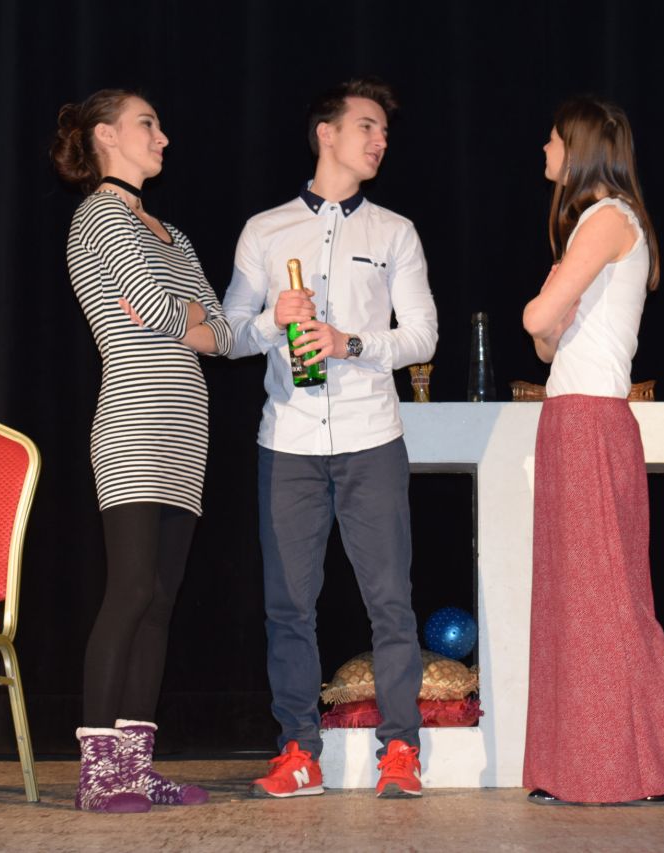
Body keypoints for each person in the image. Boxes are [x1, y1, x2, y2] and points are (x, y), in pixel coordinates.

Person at [223, 77, 438, 799]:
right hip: (287, 440)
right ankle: (298, 751)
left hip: (371, 435)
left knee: (390, 601)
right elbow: (230, 332)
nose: (380, 141)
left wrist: (350, 342)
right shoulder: (265, 229)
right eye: (367, 126)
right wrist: (272, 321)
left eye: (385, 132)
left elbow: (423, 335)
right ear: (327, 133)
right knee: (288, 605)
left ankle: (401, 750)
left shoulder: (394, 231)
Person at [521, 96, 664, 805]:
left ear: (579, 148)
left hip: (590, 417)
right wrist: (546, 319)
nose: (545, 151)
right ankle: (582, 767)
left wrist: (544, 311)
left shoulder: (606, 218)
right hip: (571, 414)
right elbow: (545, 345)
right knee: (574, 600)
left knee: (607, 597)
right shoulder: (594, 224)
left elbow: (538, 318)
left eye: (552, 140)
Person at [51, 89, 232, 813]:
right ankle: (98, 769)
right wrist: (188, 317)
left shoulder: (172, 234)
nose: (163, 136)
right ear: (106, 135)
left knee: (160, 599)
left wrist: (187, 318)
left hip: (188, 427)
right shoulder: (99, 215)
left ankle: (136, 765)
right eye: (147, 124)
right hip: (133, 417)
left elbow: (223, 333)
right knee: (129, 589)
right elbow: (159, 309)